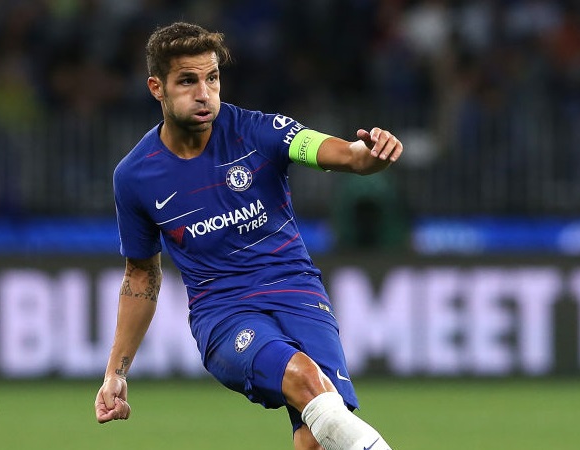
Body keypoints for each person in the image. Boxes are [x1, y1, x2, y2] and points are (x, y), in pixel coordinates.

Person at [93, 22, 402, 450]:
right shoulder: (135, 176)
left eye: (212, 78)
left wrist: (372, 153)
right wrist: (116, 372)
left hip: (299, 294)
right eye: (187, 81)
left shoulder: (259, 131)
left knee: (317, 436)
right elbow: (142, 275)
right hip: (224, 315)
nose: (204, 93)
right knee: (305, 377)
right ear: (156, 87)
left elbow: (346, 155)